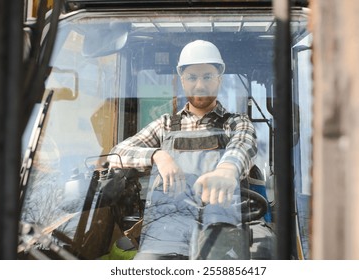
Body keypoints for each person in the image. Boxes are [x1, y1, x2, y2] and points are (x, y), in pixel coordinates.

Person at [108, 40, 257, 259]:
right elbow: (117, 154)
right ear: (182, 81)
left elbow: (243, 144)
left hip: (220, 231)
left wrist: (226, 170)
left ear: (219, 80)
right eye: (192, 77)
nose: (199, 85)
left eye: (207, 76)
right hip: (164, 233)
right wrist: (157, 155)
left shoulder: (235, 123)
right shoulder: (165, 125)